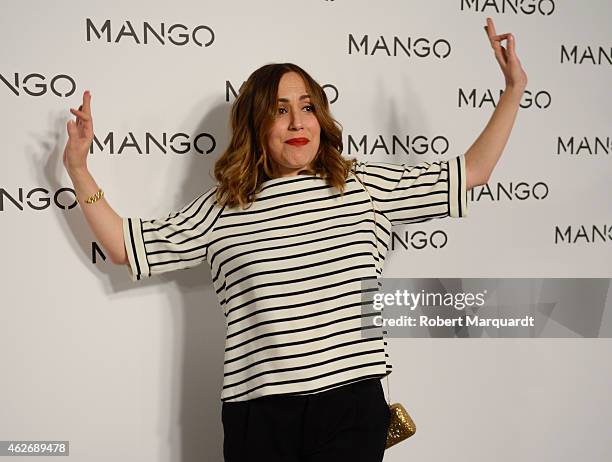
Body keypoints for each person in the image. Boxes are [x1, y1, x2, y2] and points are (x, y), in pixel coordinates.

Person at [62, 17, 527, 462]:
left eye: (307, 108)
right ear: (255, 126)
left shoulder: (360, 184)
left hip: (351, 406)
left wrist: (512, 91)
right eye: (280, 111)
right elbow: (125, 246)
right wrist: (79, 169)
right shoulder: (223, 207)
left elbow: (472, 173)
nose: (298, 123)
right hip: (258, 417)